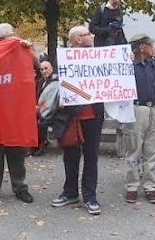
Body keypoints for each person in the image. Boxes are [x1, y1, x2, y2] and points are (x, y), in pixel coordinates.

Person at [51, 25, 104, 215]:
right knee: (71, 157)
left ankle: (90, 196)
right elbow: (59, 83)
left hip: (93, 116)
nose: (91, 36)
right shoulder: (63, 58)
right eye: (87, 34)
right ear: (77, 40)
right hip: (71, 117)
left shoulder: (99, 56)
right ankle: (70, 192)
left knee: (91, 158)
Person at [0, 23, 34, 206]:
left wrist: (27, 49)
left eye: (14, 34)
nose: (15, 38)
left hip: (14, 113)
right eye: (10, 36)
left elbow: (37, 67)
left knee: (17, 153)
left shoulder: (22, 52)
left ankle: (20, 187)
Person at [123, 34, 155, 204]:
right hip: (135, 108)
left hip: (152, 108)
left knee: (152, 150)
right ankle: (132, 186)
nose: (153, 48)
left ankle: (150, 186)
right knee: (133, 150)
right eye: (150, 45)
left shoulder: (152, 64)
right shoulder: (128, 65)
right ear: (142, 47)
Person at [33, 60, 58, 156]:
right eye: (41, 69)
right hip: (43, 108)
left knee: (40, 122)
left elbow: (52, 100)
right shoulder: (41, 81)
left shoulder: (56, 81)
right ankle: (35, 145)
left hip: (54, 109)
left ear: (51, 68)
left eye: (46, 68)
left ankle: (41, 146)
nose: (44, 71)